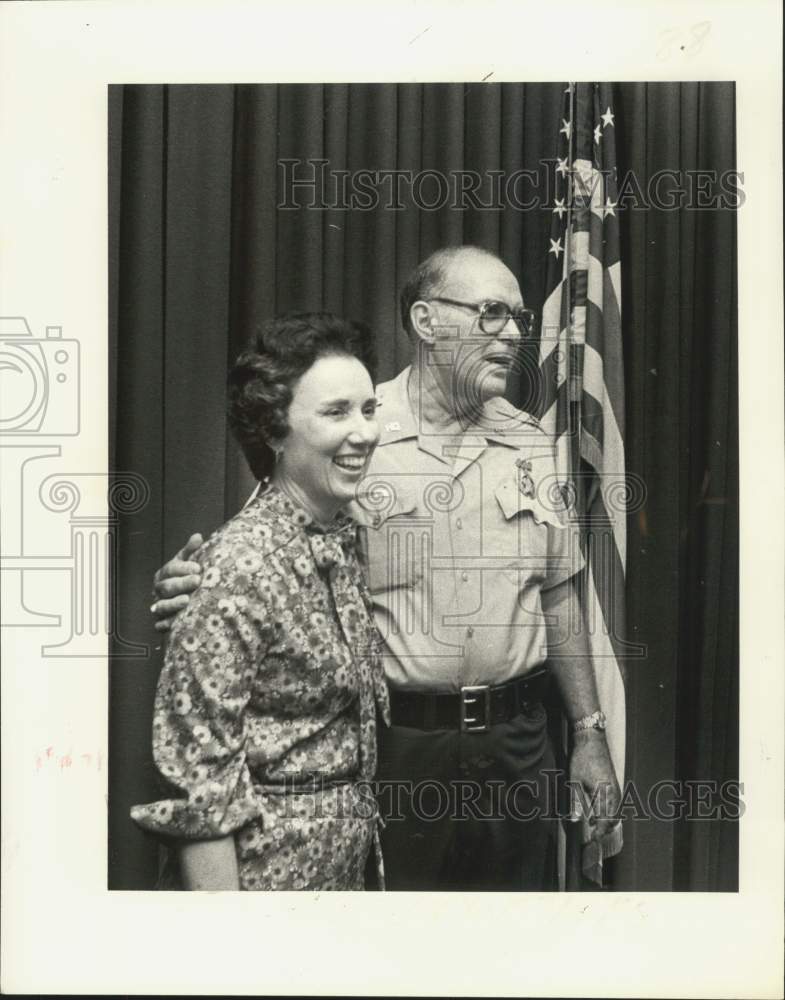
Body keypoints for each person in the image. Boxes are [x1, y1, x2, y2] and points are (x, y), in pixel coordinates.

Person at [151, 247, 621, 891]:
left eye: (516, 317)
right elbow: (267, 557)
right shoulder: (350, 432)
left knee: (512, 950)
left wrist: (590, 733)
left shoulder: (531, 444)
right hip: (397, 749)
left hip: (519, 746)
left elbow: (560, 593)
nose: (513, 334)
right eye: (491, 314)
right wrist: (190, 585)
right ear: (426, 321)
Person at [132, 312, 390, 891]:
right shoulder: (237, 567)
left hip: (340, 883)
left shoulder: (339, 535)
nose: (365, 432)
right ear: (274, 430)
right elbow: (201, 789)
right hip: (266, 889)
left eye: (369, 409)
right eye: (336, 412)